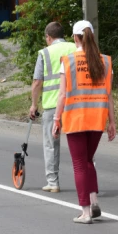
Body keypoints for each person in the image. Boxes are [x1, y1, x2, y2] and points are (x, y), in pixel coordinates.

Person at [53, 20, 116, 224]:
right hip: (97, 118)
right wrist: (112, 123)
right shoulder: (104, 61)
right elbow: (109, 95)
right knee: (88, 161)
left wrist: (56, 119)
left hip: (75, 119)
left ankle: (86, 212)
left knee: (80, 164)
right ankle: (94, 200)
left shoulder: (69, 61)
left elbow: (62, 94)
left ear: (75, 38)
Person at [30, 22, 77, 192]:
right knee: (79, 143)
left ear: (48, 37)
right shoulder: (75, 47)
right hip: (74, 104)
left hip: (51, 105)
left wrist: (34, 105)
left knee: (51, 144)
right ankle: (86, 182)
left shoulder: (45, 53)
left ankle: (53, 182)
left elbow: (37, 83)